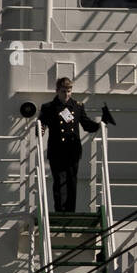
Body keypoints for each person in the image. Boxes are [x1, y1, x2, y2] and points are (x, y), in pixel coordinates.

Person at [37, 77, 100, 212]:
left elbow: (86, 124)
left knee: (72, 181)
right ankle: (60, 211)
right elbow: (41, 126)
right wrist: (40, 129)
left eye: (69, 91)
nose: (66, 94)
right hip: (57, 151)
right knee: (59, 182)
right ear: (57, 91)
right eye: (63, 91)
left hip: (72, 150)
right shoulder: (49, 107)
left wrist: (99, 125)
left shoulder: (77, 106)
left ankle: (70, 211)